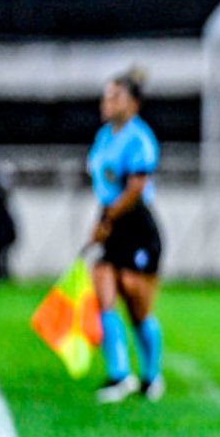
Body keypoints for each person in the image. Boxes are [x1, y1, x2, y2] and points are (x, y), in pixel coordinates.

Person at [88, 67, 165, 404]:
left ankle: (152, 375)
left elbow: (135, 188)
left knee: (136, 301)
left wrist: (107, 218)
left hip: (135, 225)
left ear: (133, 103)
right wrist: (102, 220)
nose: (107, 102)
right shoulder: (104, 136)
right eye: (106, 95)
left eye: (115, 96)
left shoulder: (140, 138)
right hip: (111, 220)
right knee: (103, 288)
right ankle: (119, 373)